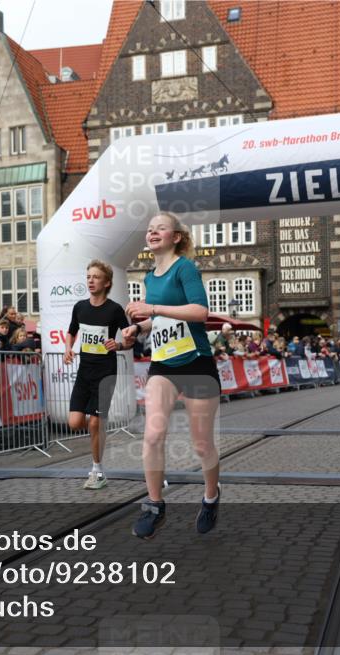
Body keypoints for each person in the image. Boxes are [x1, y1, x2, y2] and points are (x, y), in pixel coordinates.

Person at [122, 212, 221, 539]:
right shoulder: (150, 277)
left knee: (202, 443)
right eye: (149, 229)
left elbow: (199, 312)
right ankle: (154, 504)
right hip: (163, 363)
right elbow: (158, 321)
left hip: (195, 361)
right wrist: (136, 328)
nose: (152, 232)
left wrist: (152, 310)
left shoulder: (185, 267)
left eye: (159, 228)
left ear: (176, 236)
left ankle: (211, 496)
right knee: (152, 435)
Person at [63, 260, 130, 491]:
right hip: (84, 372)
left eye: (96, 277)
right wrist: (68, 348)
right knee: (74, 423)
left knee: (93, 423)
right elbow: (71, 331)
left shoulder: (114, 310)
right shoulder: (80, 307)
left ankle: (97, 470)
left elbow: (130, 339)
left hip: (105, 373)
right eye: (89, 276)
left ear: (107, 282)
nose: (91, 281)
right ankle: (99, 428)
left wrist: (118, 345)